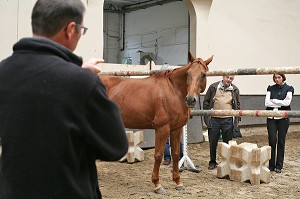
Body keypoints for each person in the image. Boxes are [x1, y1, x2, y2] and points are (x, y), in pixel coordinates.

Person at [0, 0, 128, 198]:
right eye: (81, 30)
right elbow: (116, 147)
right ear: (70, 29)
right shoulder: (82, 83)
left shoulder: (3, 72)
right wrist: (82, 78)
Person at [203, 76, 241, 170]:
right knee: (213, 142)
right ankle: (212, 162)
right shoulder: (213, 87)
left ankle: (227, 162)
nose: (229, 80)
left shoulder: (235, 89)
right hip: (214, 119)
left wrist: (236, 118)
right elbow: (206, 101)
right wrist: (207, 115)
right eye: (227, 77)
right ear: (223, 77)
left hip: (227, 119)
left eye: (231, 78)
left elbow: (237, 104)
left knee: (227, 143)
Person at [265, 74, 294, 173]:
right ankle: (271, 165)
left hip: (283, 118)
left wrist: (274, 101)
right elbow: (267, 103)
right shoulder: (270, 88)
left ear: (283, 77)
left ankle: (279, 166)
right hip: (271, 117)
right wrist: (281, 101)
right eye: (275, 78)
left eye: (279, 77)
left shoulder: (289, 88)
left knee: (281, 142)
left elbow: (287, 103)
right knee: (272, 141)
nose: (277, 79)